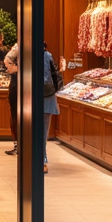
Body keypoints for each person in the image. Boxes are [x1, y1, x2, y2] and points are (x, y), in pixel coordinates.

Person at [42, 42, 62, 174]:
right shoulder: (48, 55)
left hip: (35, 96)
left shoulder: (25, 55)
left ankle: (40, 160)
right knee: (43, 132)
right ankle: (41, 160)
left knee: (34, 131)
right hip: (47, 96)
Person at [3, 41, 20, 155]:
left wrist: (13, 67)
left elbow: (7, 59)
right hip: (21, 87)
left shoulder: (19, 47)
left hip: (17, 87)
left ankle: (18, 144)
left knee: (16, 115)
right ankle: (19, 144)